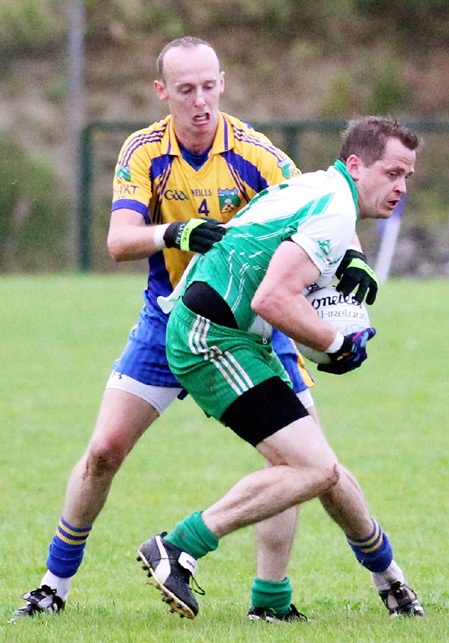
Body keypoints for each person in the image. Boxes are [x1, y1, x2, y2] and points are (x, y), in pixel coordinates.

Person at [11, 38, 377, 622]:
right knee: (103, 451)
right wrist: (175, 233)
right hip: (166, 320)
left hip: (252, 326)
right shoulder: (144, 151)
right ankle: (53, 585)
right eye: (186, 90)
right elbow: (117, 241)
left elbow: (324, 201)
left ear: (223, 83)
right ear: (163, 93)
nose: (201, 100)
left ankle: (322, 592)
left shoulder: (254, 152)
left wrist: (351, 254)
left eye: (209, 86)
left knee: (307, 462)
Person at [136, 116, 424, 622]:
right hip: (212, 338)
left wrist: (348, 260)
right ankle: (179, 545)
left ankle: (344, 589)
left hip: (237, 335)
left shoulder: (319, 186)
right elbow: (273, 298)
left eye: (408, 177)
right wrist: (337, 343)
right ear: (357, 166)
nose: (401, 187)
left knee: (316, 466)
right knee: (313, 468)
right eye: (393, 172)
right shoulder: (334, 209)